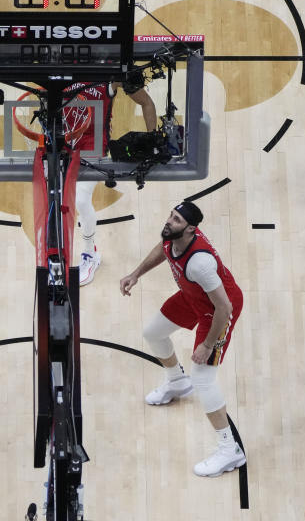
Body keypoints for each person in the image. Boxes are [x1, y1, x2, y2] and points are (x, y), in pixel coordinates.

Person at [119, 201, 246, 477]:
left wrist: (207, 344)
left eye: (176, 219)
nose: (169, 221)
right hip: (194, 297)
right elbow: (163, 250)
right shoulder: (173, 237)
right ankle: (176, 381)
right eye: (171, 215)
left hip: (217, 310)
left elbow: (224, 307)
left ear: (190, 229)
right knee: (153, 332)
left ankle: (229, 450)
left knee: (203, 377)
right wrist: (136, 274)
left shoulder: (200, 263)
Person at [66, 79, 157, 286]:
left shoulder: (108, 76)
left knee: (80, 200)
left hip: (93, 147)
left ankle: (90, 254)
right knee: (53, 199)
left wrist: (153, 142)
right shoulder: (59, 67)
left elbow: (147, 102)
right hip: (63, 142)